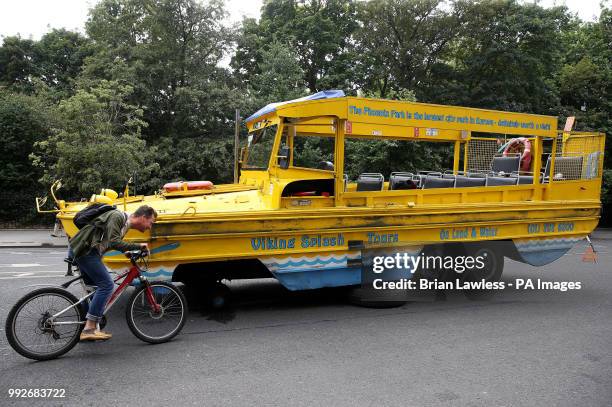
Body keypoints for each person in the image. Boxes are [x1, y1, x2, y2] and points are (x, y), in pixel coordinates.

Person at [69, 204, 158, 341]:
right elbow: (114, 241)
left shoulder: (125, 223)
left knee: (93, 291)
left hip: (84, 250)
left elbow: (109, 242)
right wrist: (138, 246)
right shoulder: (118, 216)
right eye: (150, 223)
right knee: (107, 285)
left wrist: (127, 251)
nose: (149, 227)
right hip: (85, 251)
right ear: (143, 217)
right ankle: (89, 329)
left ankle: (85, 328)